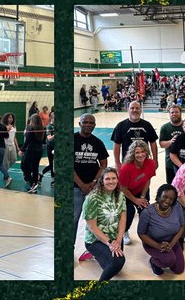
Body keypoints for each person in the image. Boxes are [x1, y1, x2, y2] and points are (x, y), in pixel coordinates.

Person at [83, 167, 128, 281]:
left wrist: (118, 240)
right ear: (102, 181)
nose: (111, 181)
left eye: (114, 178)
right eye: (107, 179)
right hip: (95, 240)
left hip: (114, 237)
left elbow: (123, 219)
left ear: (117, 180)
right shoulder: (92, 198)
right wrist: (109, 243)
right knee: (118, 261)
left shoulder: (120, 195)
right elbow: (92, 227)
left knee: (115, 267)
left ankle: (96, 255)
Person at [74, 114, 110, 246]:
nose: (88, 125)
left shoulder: (97, 142)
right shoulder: (72, 140)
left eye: (91, 123)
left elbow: (104, 164)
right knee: (73, 219)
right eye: (85, 122)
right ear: (80, 124)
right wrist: (82, 185)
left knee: (97, 219)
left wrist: (94, 182)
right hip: (75, 188)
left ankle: (94, 248)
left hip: (94, 189)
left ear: (94, 125)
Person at [137, 185, 185, 276]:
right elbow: (141, 233)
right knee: (169, 260)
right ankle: (153, 261)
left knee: (178, 270)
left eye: (171, 199)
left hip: (171, 240)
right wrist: (158, 246)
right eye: (165, 197)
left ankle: (167, 254)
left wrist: (171, 244)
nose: (167, 201)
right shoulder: (147, 212)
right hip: (153, 243)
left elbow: (182, 226)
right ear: (159, 196)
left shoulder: (177, 207)